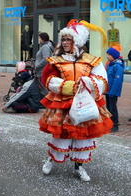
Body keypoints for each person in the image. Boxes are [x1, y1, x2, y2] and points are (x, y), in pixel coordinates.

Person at [39, 19, 113, 182]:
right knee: (60, 135)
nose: (65, 43)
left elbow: (102, 80)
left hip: (85, 102)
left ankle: (79, 167)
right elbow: (48, 79)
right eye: (63, 39)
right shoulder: (56, 60)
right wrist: (69, 86)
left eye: (68, 39)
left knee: (83, 136)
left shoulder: (92, 60)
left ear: (77, 41)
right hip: (62, 104)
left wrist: (87, 82)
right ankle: (51, 160)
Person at [105, 44, 124, 132]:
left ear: (114, 56)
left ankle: (115, 124)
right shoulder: (109, 65)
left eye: (109, 55)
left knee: (113, 108)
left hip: (113, 91)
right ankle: (109, 123)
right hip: (108, 90)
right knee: (108, 107)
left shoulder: (117, 66)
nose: (107, 56)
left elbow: (117, 81)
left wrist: (113, 91)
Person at [35, 32, 55, 97]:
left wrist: (37, 67)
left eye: (39, 38)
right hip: (41, 70)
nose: (39, 40)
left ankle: (48, 100)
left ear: (42, 39)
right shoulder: (46, 46)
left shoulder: (45, 47)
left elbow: (45, 59)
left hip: (41, 71)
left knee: (43, 88)